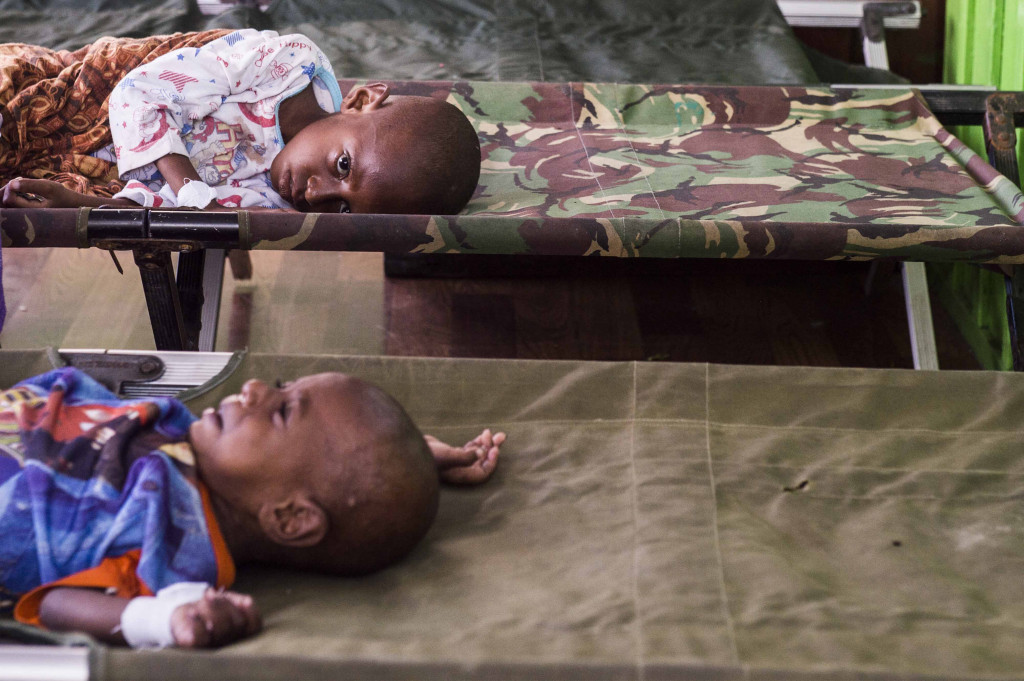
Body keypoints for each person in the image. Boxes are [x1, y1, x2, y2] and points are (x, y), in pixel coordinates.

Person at [0, 367, 504, 648]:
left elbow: (54, 604)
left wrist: (162, 619)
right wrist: (411, 456)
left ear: (289, 518)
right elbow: (335, 470)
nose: (256, 388)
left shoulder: (172, 548)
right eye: (283, 385)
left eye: (282, 411)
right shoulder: (197, 453)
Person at [0, 29, 481, 214]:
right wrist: (195, 194)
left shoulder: (281, 201)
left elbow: (159, 207)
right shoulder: (285, 65)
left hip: (86, 170)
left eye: (342, 208)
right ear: (361, 100)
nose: (316, 194)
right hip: (76, 96)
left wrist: (79, 205)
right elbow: (141, 91)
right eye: (342, 167)